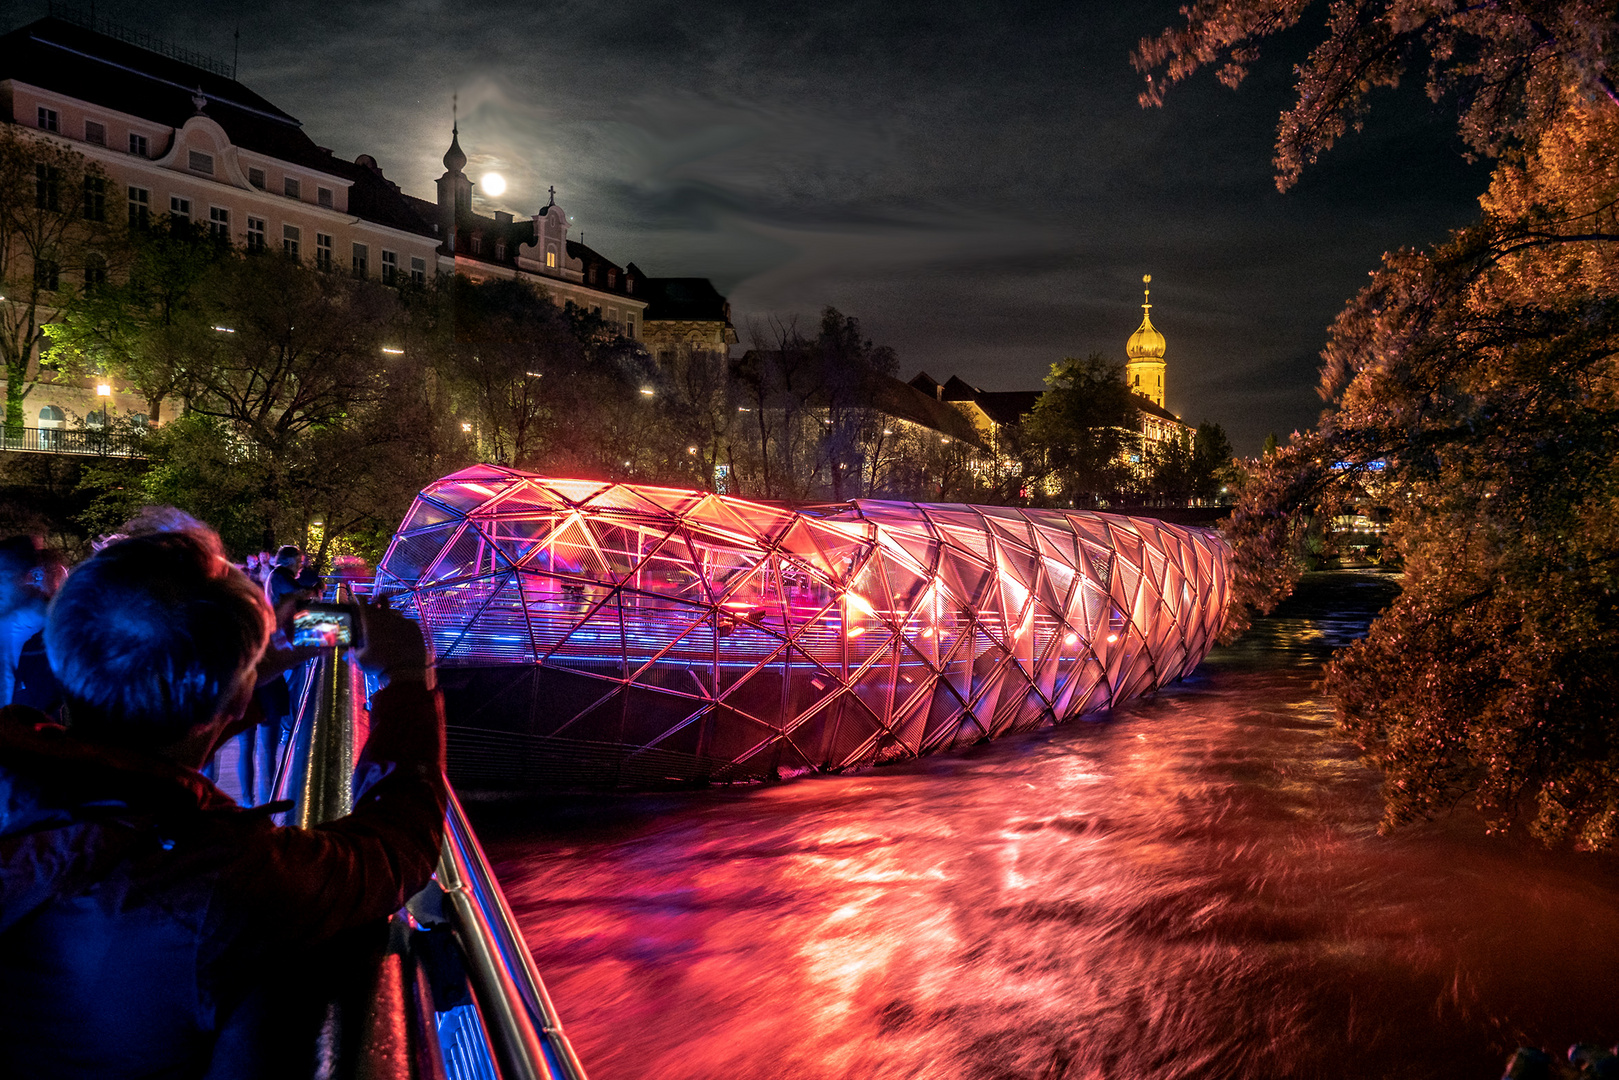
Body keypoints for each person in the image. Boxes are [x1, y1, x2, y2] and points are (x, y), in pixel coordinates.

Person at [0, 529, 446, 1078]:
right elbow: (395, 845)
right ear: (239, 695)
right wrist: (402, 681)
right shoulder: (225, 874)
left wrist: (258, 657)